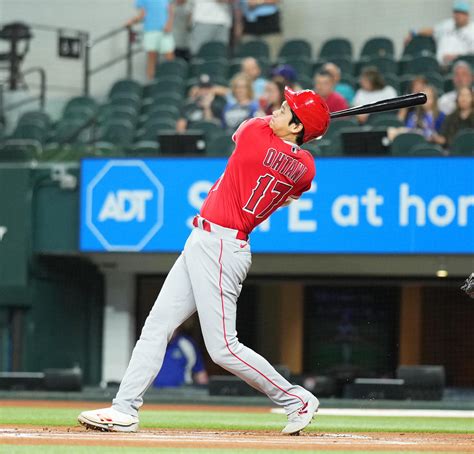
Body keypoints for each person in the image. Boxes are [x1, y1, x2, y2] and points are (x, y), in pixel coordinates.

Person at [78, 86, 330, 435]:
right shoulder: (305, 167)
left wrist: (284, 130)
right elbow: (291, 185)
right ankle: (124, 409)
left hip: (223, 247)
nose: (276, 110)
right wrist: (295, 132)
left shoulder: (255, 134)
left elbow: (249, 128)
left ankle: (295, 398)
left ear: (298, 127)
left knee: (224, 348)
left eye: (286, 109)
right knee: (157, 326)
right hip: (205, 241)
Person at [405, 0, 474, 67]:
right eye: (456, 12)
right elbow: (431, 31)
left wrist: (456, 57)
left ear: (467, 15)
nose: (458, 15)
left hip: (460, 69)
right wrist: (413, 33)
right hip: (438, 66)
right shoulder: (447, 24)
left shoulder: (472, 30)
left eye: (461, 13)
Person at [127, 0, 175, 80]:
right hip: (150, 30)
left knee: (169, 57)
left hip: (164, 31)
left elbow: (171, 10)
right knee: (151, 59)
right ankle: (151, 83)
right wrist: (131, 21)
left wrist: (169, 24)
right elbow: (142, 14)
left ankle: (173, 80)